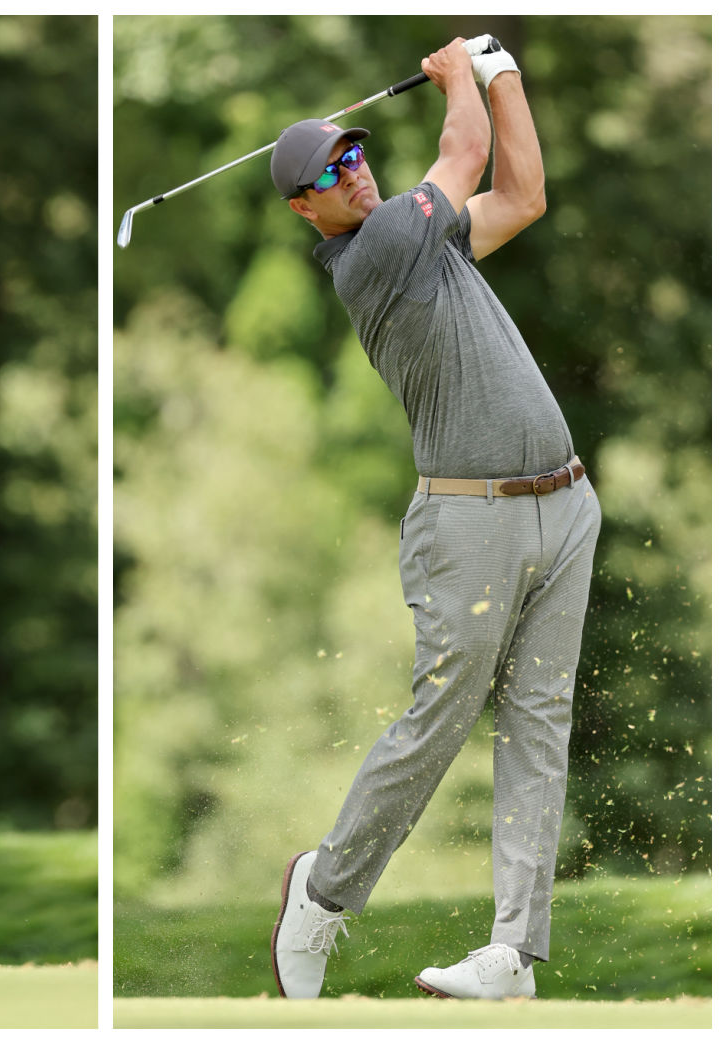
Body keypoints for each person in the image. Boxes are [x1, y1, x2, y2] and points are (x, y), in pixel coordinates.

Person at [265, 37, 601, 1000]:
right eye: (333, 169)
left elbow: (525, 193)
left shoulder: (427, 241)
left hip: (565, 507)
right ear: (307, 207)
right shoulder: (370, 255)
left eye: (356, 152)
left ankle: (512, 956)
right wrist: (463, 76)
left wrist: (506, 77)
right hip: (471, 523)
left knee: (540, 723)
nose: (353, 170)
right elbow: (462, 160)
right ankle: (322, 893)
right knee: (441, 721)